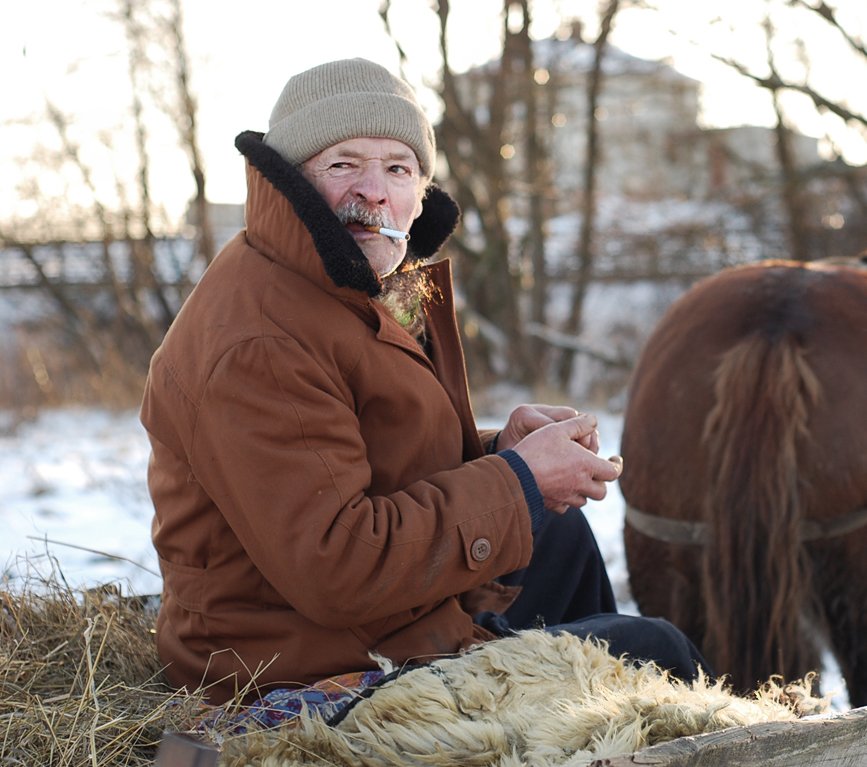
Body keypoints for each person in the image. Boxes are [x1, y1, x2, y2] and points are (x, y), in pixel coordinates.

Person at [140, 58, 708, 705]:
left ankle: (585, 728)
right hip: (303, 668)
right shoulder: (261, 342)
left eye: (398, 168)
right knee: (658, 651)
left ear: (419, 190)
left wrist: (500, 454)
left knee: (559, 534)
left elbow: (369, 458)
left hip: (381, 623)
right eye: (342, 164)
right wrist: (519, 480)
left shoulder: (346, 286)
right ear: (290, 179)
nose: (374, 192)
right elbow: (337, 567)